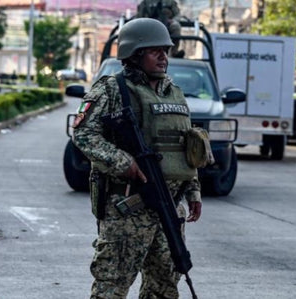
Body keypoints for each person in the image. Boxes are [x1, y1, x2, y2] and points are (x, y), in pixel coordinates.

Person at [72, 18, 202, 299]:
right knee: (111, 287)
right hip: (127, 210)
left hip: (170, 208)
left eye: (165, 50)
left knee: (164, 288)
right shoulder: (111, 89)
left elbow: (187, 148)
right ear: (134, 53)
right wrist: (123, 162)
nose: (163, 57)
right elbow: (83, 134)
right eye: (155, 50)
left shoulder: (175, 93)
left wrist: (193, 191)